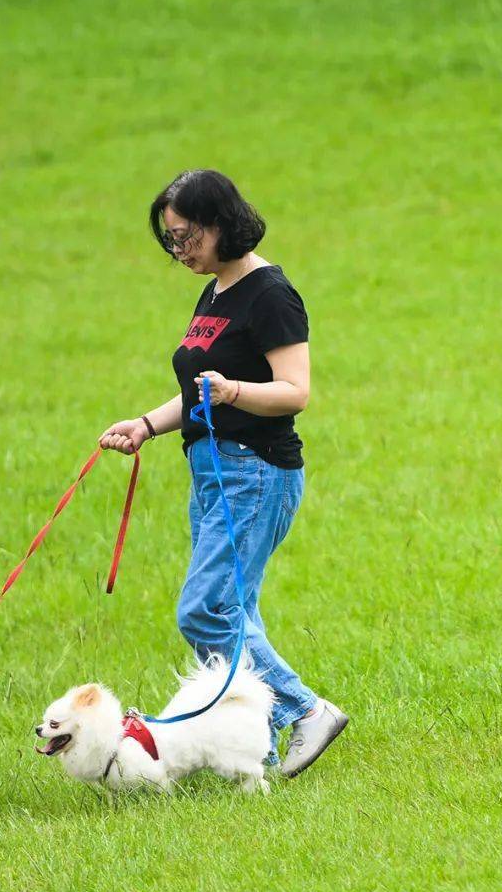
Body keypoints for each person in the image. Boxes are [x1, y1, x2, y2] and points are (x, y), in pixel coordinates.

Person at [100, 169, 347, 777]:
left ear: (220, 224)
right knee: (236, 609)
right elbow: (198, 389)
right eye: (170, 241)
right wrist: (147, 425)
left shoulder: (270, 294)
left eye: (186, 237)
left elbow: (295, 391)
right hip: (211, 470)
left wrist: (234, 390)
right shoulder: (214, 292)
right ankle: (256, 747)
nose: (179, 251)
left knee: (205, 610)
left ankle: (305, 711)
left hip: (256, 473)